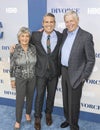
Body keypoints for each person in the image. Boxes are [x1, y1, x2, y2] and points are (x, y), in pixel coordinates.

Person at [59, 10, 95, 130]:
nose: (69, 24)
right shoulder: (65, 33)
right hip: (64, 71)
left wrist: (83, 77)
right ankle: (68, 120)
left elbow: (91, 60)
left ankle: (74, 126)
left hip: (77, 74)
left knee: (74, 103)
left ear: (77, 20)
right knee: (66, 99)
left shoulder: (86, 36)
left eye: (71, 21)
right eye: (67, 21)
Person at [31, 13, 62, 130]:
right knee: (39, 96)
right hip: (40, 72)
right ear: (42, 23)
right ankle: (37, 117)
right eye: (46, 22)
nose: (49, 24)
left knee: (51, 95)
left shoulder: (60, 36)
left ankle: (48, 114)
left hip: (54, 73)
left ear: (54, 23)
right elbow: (24, 42)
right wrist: (15, 45)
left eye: (51, 22)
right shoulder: (35, 35)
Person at [10, 27, 37, 130]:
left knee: (30, 97)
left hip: (32, 77)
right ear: (19, 37)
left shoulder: (33, 48)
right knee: (20, 100)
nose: (25, 38)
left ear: (29, 37)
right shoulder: (15, 49)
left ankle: (28, 113)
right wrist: (12, 79)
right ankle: (18, 120)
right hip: (20, 78)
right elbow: (12, 66)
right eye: (22, 36)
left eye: (27, 36)